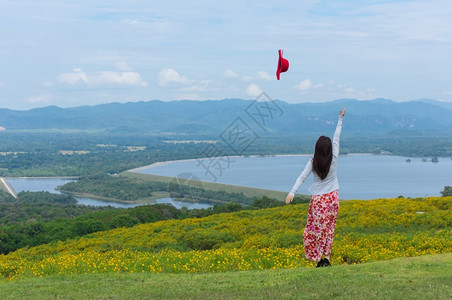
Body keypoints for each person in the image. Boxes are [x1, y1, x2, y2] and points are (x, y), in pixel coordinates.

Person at [285, 107, 345, 268]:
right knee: (329, 230)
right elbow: (337, 138)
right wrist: (340, 119)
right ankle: (326, 258)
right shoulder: (334, 158)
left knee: (315, 230)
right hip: (332, 199)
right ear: (330, 149)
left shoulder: (313, 162)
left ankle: (319, 260)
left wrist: (292, 192)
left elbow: (302, 177)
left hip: (318, 201)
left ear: (317, 149)